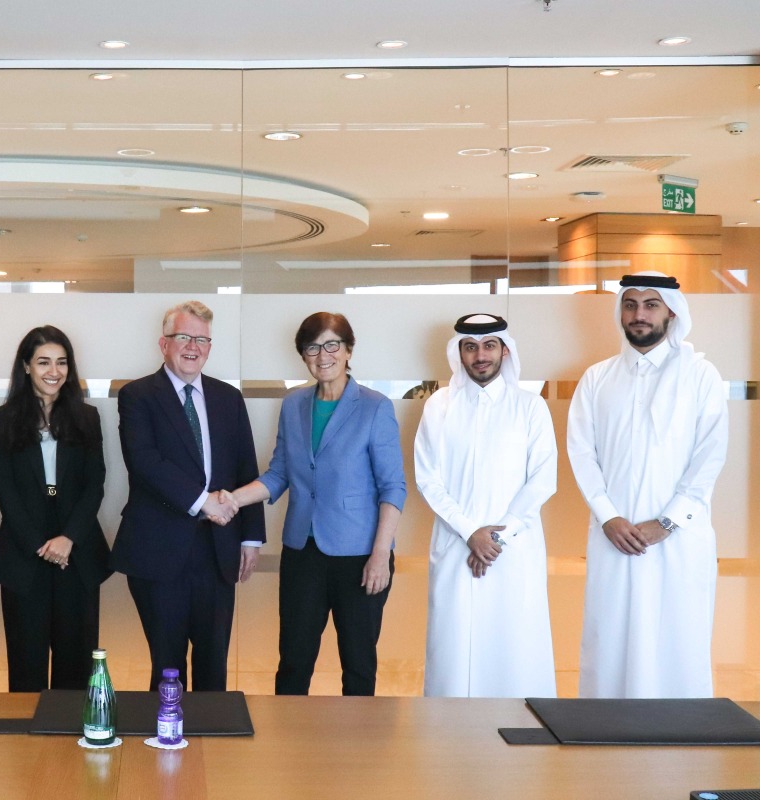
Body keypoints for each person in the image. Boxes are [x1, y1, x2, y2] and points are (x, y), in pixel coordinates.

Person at [221, 312, 405, 696]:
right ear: (303, 355)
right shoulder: (293, 405)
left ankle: (359, 735)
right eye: (312, 347)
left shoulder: (375, 407)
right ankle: (288, 734)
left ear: (348, 350)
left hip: (360, 555)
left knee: (358, 664)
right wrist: (232, 499)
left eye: (332, 345)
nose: (323, 355)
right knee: (293, 660)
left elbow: (393, 487)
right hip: (302, 552)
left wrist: (380, 555)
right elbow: (279, 473)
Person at [568, 272, 728, 698]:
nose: (639, 314)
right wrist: (609, 518)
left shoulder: (700, 375)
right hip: (614, 537)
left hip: (679, 540)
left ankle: (679, 734)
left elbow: (709, 456)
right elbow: (582, 454)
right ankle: (606, 730)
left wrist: (668, 522)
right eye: (630, 304)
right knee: (611, 640)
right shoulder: (597, 378)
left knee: (677, 641)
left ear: (671, 312)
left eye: (651, 305)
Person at [112, 300, 265, 692]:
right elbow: (145, 463)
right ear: (164, 343)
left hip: (218, 550)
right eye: (184, 337)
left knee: (214, 663)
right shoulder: (138, 396)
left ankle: (211, 731)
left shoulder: (228, 398)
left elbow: (246, 467)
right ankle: (167, 729)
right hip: (159, 550)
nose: (193, 347)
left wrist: (251, 537)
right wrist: (204, 501)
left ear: (210, 347)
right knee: (168, 664)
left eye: (202, 339)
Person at [413, 313, 557, 698]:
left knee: (514, 645)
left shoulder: (530, 406)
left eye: (489, 345)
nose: (480, 356)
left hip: (513, 549)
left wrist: (495, 538)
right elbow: (428, 478)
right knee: (453, 646)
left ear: (505, 351)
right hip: (456, 544)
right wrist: (470, 532)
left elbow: (543, 479)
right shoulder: (439, 406)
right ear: (458, 353)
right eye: (470, 347)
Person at [0, 326, 111, 691]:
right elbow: (4, 488)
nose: (53, 371)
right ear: (26, 366)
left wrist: (68, 538)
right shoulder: (4, 418)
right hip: (24, 552)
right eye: (43, 362)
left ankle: (72, 728)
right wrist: (40, 545)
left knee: (76, 666)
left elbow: (95, 483)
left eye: (61, 362)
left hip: (77, 552)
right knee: (26, 665)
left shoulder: (86, 417)